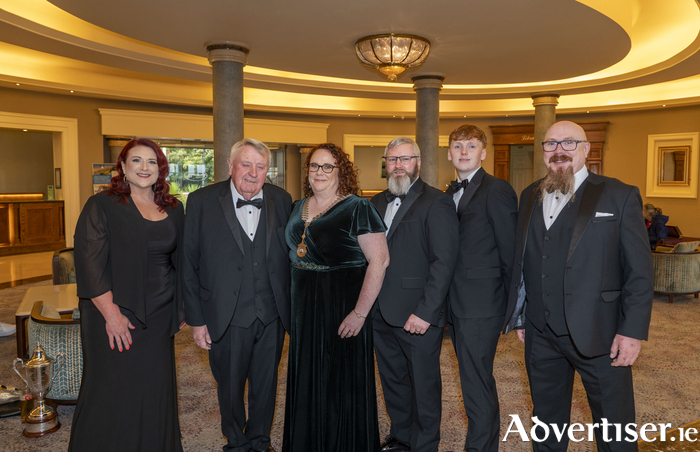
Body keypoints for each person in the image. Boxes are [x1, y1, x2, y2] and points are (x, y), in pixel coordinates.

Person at [503, 121, 653, 451]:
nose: (559, 150)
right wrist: (522, 314)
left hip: (602, 332)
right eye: (551, 144)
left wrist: (631, 332)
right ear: (543, 152)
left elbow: (640, 272)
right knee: (546, 421)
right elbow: (525, 259)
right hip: (540, 332)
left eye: (569, 143)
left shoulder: (619, 195)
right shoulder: (529, 195)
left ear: (586, 149)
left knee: (615, 426)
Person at [69, 138, 185, 452]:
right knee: (112, 388)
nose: (144, 168)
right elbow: (89, 264)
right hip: (115, 313)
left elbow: (183, 260)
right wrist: (112, 315)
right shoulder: (102, 205)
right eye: (136, 160)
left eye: (152, 162)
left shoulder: (174, 209)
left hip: (159, 316)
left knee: (153, 388)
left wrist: (183, 308)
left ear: (161, 170)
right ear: (122, 166)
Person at [182, 138, 291, 452]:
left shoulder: (282, 199)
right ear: (230, 165)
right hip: (225, 315)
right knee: (229, 388)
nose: (253, 173)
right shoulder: (201, 201)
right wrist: (197, 321)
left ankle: (259, 441)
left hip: (272, 315)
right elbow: (188, 264)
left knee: (266, 386)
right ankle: (237, 442)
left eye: (260, 166)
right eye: (246, 164)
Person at [283, 143, 390, 452]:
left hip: (343, 305)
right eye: (314, 166)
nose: (320, 172)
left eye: (328, 166)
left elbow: (379, 261)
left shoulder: (358, 207)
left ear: (341, 171)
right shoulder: (297, 205)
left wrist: (359, 313)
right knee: (308, 379)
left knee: (339, 384)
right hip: (305, 306)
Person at [370, 137, 459, 452]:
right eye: (392, 160)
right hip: (380, 311)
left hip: (417, 313)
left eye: (404, 159)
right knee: (393, 381)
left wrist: (426, 311)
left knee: (424, 385)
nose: (398, 166)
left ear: (417, 163)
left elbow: (444, 262)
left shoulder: (436, 201)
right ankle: (402, 437)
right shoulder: (375, 203)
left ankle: (425, 444)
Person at [445, 125, 517, 452]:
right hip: (457, 303)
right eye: (458, 146)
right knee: (472, 380)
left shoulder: (497, 189)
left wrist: (514, 309)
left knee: (476, 382)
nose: (463, 152)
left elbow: (510, 252)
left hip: (482, 305)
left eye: (471, 146)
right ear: (449, 153)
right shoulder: (447, 193)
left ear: (483, 153)